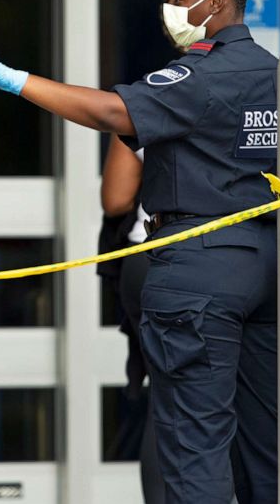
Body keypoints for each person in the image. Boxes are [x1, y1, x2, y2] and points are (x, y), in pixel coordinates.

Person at [0, 0, 277, 504]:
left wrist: (14, 80)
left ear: (217, 2)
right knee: (266, 449)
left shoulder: (201, 76)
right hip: (269, 266)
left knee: (195, 447)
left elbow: (112, 111)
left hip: (201, 267)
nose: (170, 8)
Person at [99, 134, 164, 504]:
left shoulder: (149, 98)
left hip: (149, 255)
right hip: (240, 257)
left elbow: (116, 199)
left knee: (170, 399)